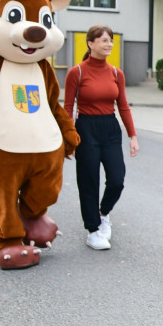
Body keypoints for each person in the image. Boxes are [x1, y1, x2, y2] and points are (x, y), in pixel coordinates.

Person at [64, 25, 139, 251]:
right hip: (85, 128)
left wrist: (132, 136)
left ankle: (103, 213)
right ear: (91, 43)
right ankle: (93, 230)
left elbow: (123, 106)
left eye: (111, 41)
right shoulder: (76, 72)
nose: (109, 45)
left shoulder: (116, 73)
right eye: (104, 40)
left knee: (117, 178)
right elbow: (68, 107)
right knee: (88, 181)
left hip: (110, 127)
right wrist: (68, 139)